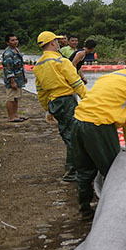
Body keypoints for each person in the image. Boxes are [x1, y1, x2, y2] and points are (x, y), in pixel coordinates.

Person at [71, 54, 126, 220]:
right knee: (114, 171)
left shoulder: (107, 77)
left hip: (78, 121)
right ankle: (115, 214)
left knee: (84, 170)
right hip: (100, 126)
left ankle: (84, 210)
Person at [33, 30, 87, 181]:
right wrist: (88, 99)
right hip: (67, 101)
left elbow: (40, 90)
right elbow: (76, 82)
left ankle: (73, 167)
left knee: (66, 132)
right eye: (57, 41)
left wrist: (47, 109)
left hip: (54, 102)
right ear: (52, 43)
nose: (59, 43)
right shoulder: (61, 62)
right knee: (73, 135)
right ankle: (71, 171)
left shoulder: (38, 65)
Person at [1, 34, 27, 122]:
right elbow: (8, 69)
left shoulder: (16, 50)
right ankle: (11, 116)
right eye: (12, 40)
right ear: (7, 42)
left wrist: (24, 76)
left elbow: (20, 65)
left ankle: (16, 115)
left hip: (19, 77)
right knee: (11, 98)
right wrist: (12, 81)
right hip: (12, 79)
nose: (15, 41)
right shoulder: (8, 53)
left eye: (16, 39)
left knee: (16, 97)